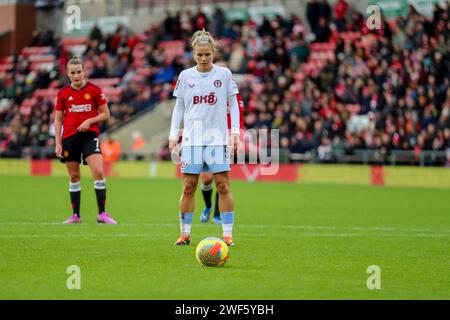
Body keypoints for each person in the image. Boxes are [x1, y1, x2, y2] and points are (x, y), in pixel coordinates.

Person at [169, 30, 240, 246]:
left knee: (223, 185)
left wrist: (235, 132)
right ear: (193, 54)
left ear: (213, 53)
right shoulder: (185, 76)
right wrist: (174, 136)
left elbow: (233, 103)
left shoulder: (224, 74)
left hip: (218, 138)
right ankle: (185, 234)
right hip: (192, 139)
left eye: (207, 54)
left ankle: (227, 235)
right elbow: (179, 107)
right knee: (188, 186)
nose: (203, 59)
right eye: (199, 55)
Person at [54, 56, 117, 224]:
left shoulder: (95, 91)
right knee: (74, 176)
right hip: (69, 139)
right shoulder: (63, 94)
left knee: (98, 172)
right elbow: (58, 120)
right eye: (73, 73)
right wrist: (58, 143)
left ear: (84, 71)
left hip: (90, 137)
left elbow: (106, 114)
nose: (76, 76)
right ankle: (76, 216)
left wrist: (89, 121)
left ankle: (102, 214)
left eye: (79, 72)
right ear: (68, 74)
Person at [199, 90, 245, 225]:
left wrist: (238, 136)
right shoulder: (209, 92)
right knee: (206, 179)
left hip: (227, 139)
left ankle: (217, 215)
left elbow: (240, 117)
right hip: (209, 138)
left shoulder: (235, 94)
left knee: (222, 180)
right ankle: (208, 206)